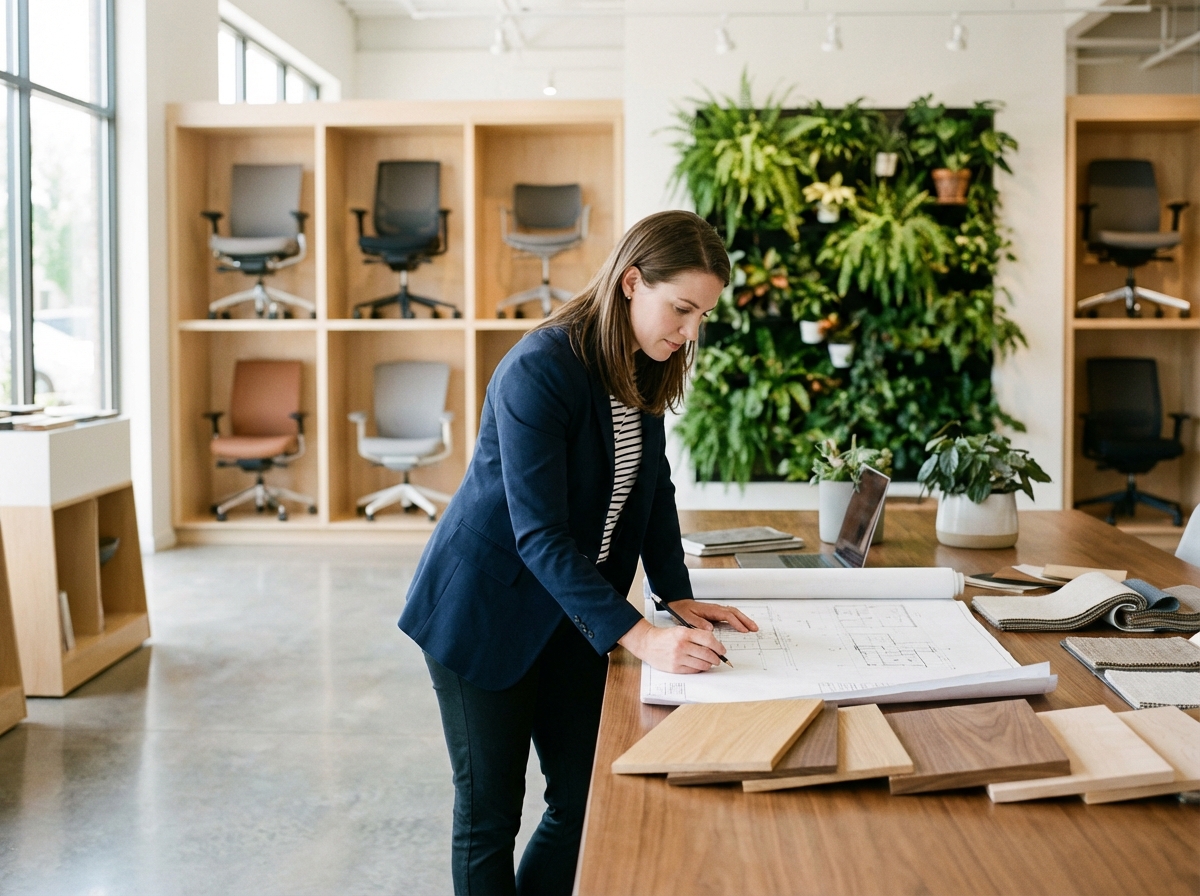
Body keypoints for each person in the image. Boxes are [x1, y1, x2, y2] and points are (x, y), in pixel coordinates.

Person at [399, 209, 758, 896]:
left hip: (571, 610)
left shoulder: (645, 364)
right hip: (483, 613)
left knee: (584, 796)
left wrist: (673, 594)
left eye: (701, 317)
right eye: (680, 309)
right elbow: (538, 534)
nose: (688, 332)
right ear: (631, 282)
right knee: (489, 815)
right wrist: (642, 637)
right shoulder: (540, 369)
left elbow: (653, 487)